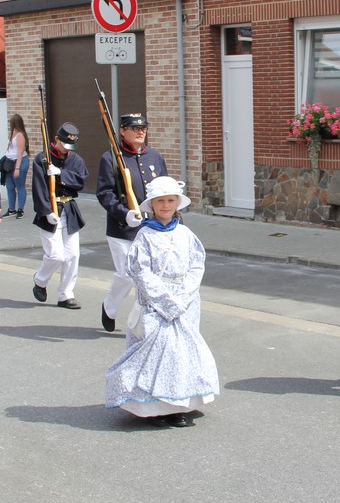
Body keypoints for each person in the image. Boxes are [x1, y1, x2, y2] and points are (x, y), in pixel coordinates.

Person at [105, 176, 218, 427]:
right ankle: (154, 407)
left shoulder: (186, 234)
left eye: (170, 200)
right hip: (156, 304)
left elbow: (196, 265)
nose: (165, 205)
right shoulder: (144, 236)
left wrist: (185, 295)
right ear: (152, 205)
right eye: (160, 201)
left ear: (177, 203)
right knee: (156, 354)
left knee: (180, 354)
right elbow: (140, 272)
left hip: (185, 302)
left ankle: (178, 405)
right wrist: (165, 301)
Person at [96, 113, 168, 333]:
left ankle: (144, 324)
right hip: (123, 229)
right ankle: (109, 307)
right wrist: (123, 213)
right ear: (122, 131)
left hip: (151, 227)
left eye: (143, 128)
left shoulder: (154, 156)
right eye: (135, 128)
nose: (140, 132)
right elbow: (105, 193)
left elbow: (165, 191)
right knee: (127, 275)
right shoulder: (110, 158)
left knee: (147, 279)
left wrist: (173, 220)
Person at [31, 122, 88, 310]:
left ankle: (66, 294)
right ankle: (40, 280)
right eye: (64, 144)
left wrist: (61, 174)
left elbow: (81, 181)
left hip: (69, 209)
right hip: (51, 209)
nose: (66, 149)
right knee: (55, 255)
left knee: (72, 255)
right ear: (56, 139)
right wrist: (46, 211)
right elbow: (38, 188)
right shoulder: (42, 158)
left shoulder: (76, 160)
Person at [0, 113, 29, 219]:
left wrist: (17, 168)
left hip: (19, 162)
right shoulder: (13, 133)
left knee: (20, 186)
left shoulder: (20, 135)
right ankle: (11, 209)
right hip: (10, 162)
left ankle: (20, 209)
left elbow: (20, 152)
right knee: (9, 186)